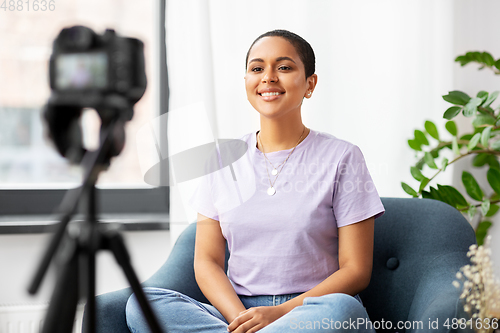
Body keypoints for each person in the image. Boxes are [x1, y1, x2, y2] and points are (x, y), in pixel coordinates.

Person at [126, 29, 385, 333]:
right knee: (142, 305)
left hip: (312, 311)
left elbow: (356, 270)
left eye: (284, 67)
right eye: (257, 68)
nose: (269, 77)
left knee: (343, 310)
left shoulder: (343, 157)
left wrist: (278, 315)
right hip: (238, 312)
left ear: (310, 84)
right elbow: (207, 261)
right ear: (247, 81)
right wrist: (241, 321)